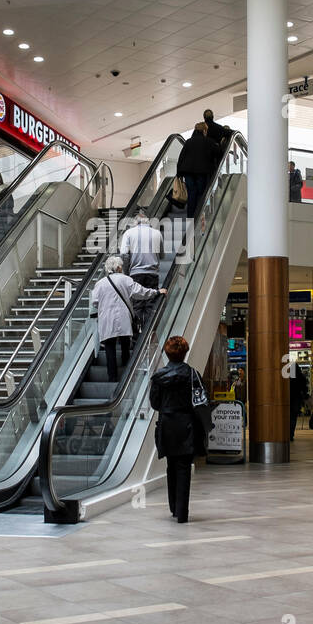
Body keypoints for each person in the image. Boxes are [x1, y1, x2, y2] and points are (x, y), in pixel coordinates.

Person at [149, 335, 207, 523]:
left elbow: (155, 403)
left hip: (167, 424)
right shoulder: (192, 375)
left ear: (167, 354)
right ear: (184, 353)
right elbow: (201, 401)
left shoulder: (158, 377)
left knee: (171, 466)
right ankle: (182, 512)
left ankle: (174, 507)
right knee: (184, 467)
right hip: (187, 425)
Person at [91, 256, 165, 382]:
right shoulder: (126, 280)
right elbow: (141, 292)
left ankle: (112, 378)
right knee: (125, 345)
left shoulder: (100, 283)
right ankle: (127, 374)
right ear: (119, 268)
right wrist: (157, 292)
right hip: (123, 318)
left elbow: (95, 302)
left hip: (106, 320)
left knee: (109, 349)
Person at [175, 110, 230, 219]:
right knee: (201, 194)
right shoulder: (209, 142)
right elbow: (219, 153)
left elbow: (181, 158)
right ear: (204, 131)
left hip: (188, 173)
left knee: (191, 194)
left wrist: (179, 174)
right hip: (202, 173)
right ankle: (199, 217)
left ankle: (190, 219)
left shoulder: (189, 142)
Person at [119, 209, 164, 330]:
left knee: (137, 305)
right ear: (148, 222)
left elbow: (124, 255)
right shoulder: (157, 233)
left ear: (136, 222)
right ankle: (149, 332)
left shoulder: (129, 233)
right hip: (152, 274)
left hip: (135, 273)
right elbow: (162, 255)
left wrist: (126, 272)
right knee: (150, 304)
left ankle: (136, 336)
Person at [289, 365, 309, 441]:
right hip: (297, 399)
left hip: (288, 399)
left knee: (288, 417)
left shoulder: (288, 377)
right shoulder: (301, 377)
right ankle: (291, 433)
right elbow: (304, 389)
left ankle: (287, 433)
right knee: (294, 417)